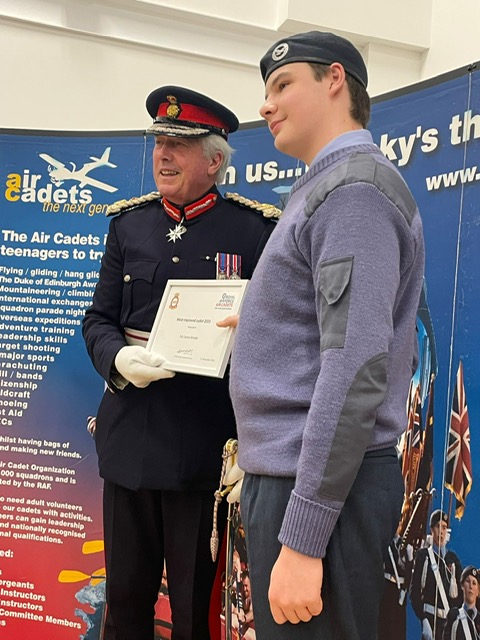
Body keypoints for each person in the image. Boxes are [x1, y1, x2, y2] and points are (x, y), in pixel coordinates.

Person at [229, 30, 426, 639]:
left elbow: (355, 368)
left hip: (317, 491)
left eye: (282, 84)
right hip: (307, 479)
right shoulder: (328, 186)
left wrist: (304, 540)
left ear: (335, 79)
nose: (265, 104)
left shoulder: (352, 191)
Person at [82, 85, 278, 640]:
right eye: (159, 143)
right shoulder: (128, 224)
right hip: (130, 440)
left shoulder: (254, 230)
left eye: (179, 145)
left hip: (202, 447)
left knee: (194, 614)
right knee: (124, 607)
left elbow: (272, 341)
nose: (163, 154)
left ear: (214, 161)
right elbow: (97, 320)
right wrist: (119, 358)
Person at [410, 510, 463, 639]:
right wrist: (423, 619)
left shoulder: (453, 560)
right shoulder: (423, 556)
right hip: (430, 619)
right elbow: (414, 591)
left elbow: (460, 596)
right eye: (437, 526)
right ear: (432, 529)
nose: (441, 532)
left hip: (448, 625)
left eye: (444, 527)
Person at [443, 565, 480, 640]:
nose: (470, 586)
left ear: (478, 592)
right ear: (462, 586)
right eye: (468, 581)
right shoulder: (453, 616)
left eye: (474, 583)